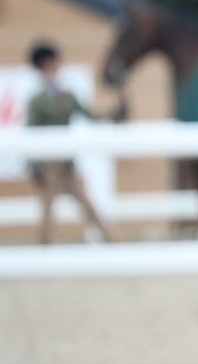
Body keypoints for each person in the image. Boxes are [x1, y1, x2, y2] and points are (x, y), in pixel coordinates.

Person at [25, 42, 125, 244]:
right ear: (45, 64)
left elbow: (89, 115)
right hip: (48, 165)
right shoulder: (37, 101)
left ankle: (112, 241)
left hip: (67, 165)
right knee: (47, 212)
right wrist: (34, 164)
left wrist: (114, 113)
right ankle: (42, 251)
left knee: (87, 205)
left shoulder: (67, 95)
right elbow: (31, 132)